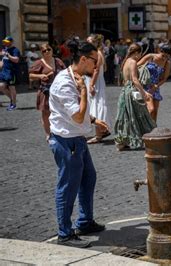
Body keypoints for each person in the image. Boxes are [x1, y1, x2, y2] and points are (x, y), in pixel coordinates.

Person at [48, 40, 107, 248]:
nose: (96, 66)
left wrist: (94, 120)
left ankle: (84, 221)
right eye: (94, 61)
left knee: (88, 178)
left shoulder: (78, 76)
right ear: (83, 59)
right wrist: (83, 91)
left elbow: (79, 115)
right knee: (68, 186)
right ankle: (64, 233)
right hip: (67, 141)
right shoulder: (65, 82)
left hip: (77, 140)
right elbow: (77, 115)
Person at [114, 43, 156, 150]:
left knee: (125, 116)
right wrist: (144, 93)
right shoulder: (132, 62)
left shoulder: (125, 61)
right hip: (132, 91)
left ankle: (122, 141)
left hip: (125, 91)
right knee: (140, 115)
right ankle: (149, 138)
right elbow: (135, 79)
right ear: (136, 53)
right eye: (140, 54)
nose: (140, 56)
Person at [29, 43, 66, 139]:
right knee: (46, 113)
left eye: (48, 49)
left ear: (52, 50)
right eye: (44, 51)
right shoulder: (39, 63)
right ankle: (48, 133)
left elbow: (65, 72)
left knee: (59, 111)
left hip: (58, 91)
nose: (47, 52)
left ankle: (59, 131)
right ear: (41, 53)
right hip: (46, 91)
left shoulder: (58, 61)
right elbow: (31, 76)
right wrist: (40, 76)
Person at [85, 34, 111, 144]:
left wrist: (91, 84)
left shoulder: (98, 54)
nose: (88, 44)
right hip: (94, 81)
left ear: (96, 43)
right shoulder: (96, 53)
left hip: (95, 82)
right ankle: (101, 130)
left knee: (97, 104)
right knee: (94, 104)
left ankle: (99, 133)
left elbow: (96, 70)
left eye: (90, 42)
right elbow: (104, 69)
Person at [137, 43, 171, 122]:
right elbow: (137, 66)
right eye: (163, 55)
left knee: (155, 111)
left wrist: (156, 86)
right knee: (151, 109)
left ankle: (153, 130)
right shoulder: (150, 57)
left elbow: (164, 78)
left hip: (155, 87)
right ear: (160, 51)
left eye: (167, 56)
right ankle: (145, 127)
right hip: (144, 85)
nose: (164, 58)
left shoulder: (167, 62)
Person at [0, 36, 20, 111]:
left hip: (12, 72)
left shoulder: (15, 50)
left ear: (11, 42)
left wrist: (8, 55)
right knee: (1, 86)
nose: (5, 43)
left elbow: (16, 60)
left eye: (7, 42)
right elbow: (3, 61)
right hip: (4, 72)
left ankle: (14, 104)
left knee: (12, 88)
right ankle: (12, 100)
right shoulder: (5, 50)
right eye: (4, 42)